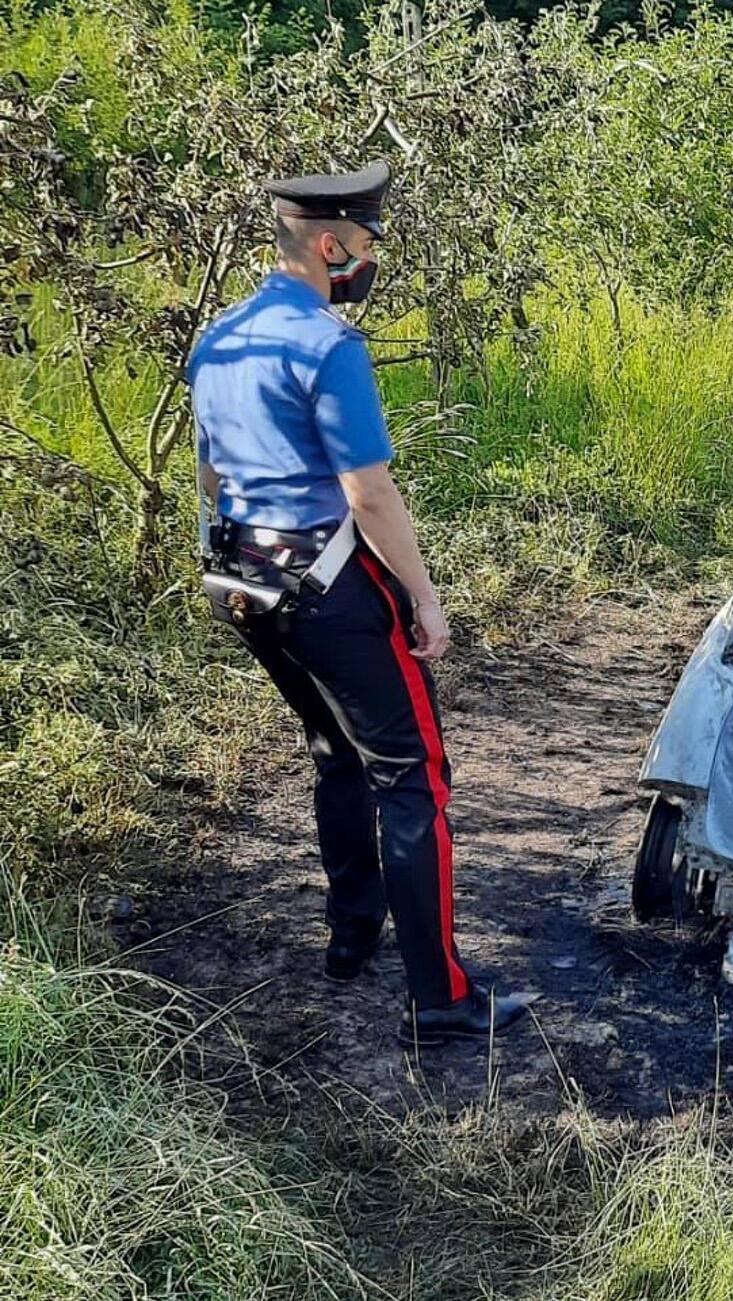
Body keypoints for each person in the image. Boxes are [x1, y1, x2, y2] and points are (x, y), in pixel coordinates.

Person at [187, 160, 525, 1045]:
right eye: (367, 242)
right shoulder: (328, 345)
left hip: (246, 587)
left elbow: (212, 472)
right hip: (329, 586)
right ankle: (442, 1000)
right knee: (414, 779)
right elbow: (368, 494)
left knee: (334, 749)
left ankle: (352, 936)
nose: (371, 259)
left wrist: (214, 552)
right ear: (332, 244)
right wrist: (424, 596)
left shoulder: (219, 339)